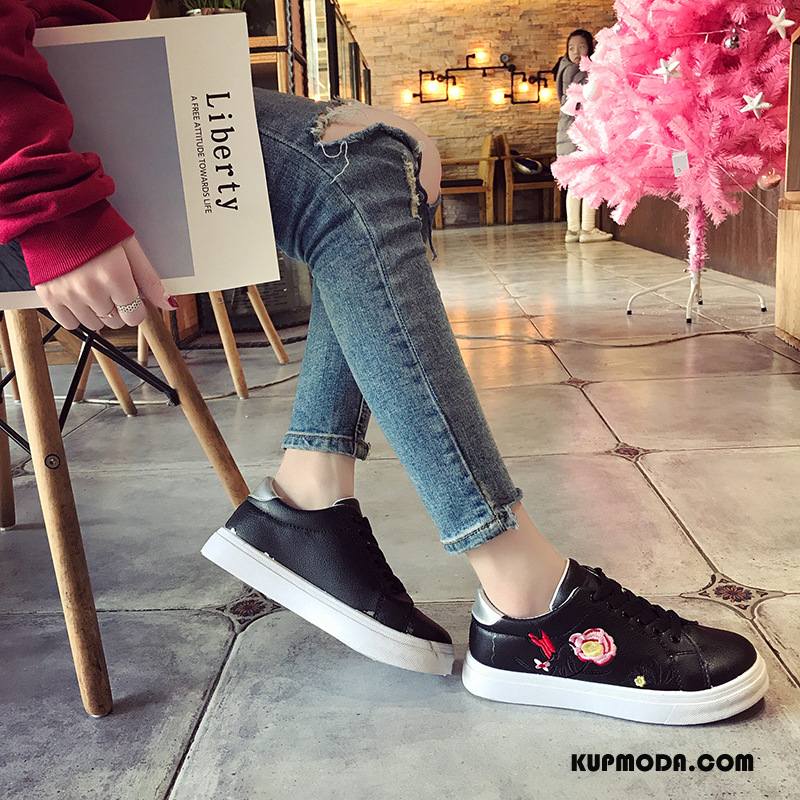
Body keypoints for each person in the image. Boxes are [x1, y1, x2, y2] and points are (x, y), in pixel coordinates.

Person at [0, 1, 767, 725]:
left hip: (82, 91)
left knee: (396, 152)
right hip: (23, 136)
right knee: (355, 169)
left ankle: (311, 495)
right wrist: (44, 198)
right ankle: (524, 594)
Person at [554, 29, 613, 244]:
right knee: (590, 179)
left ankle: (573, 230)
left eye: (581, 47)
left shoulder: (563, 68)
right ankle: (587, 229)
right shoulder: (578, 71)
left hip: (567, 134)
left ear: (589, 48)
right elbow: (591, 96)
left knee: (574, 183)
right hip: (579, 134)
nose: (576, 52)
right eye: (571, 48)